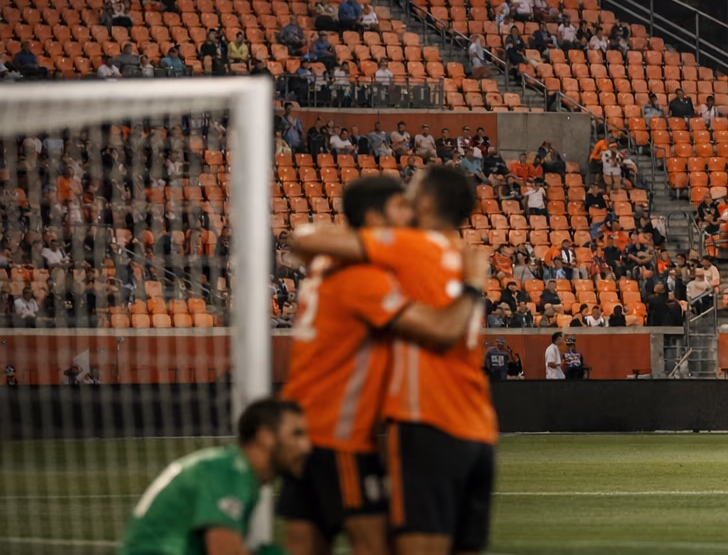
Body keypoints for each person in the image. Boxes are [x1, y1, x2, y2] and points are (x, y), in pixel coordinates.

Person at [290, 165, 497, 555]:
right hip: (478, 427)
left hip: (426, 421)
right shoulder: (463, 255)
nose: (406, 204)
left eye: (410, 195)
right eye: (398, 202)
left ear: (428, 201)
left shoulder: (407, 248)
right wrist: (472, 288)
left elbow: (305, 239)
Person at [120, 397, 311, 555]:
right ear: (264, 437)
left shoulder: (231, 469)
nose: (306, 447)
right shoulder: (230, 473)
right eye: (296, 434)